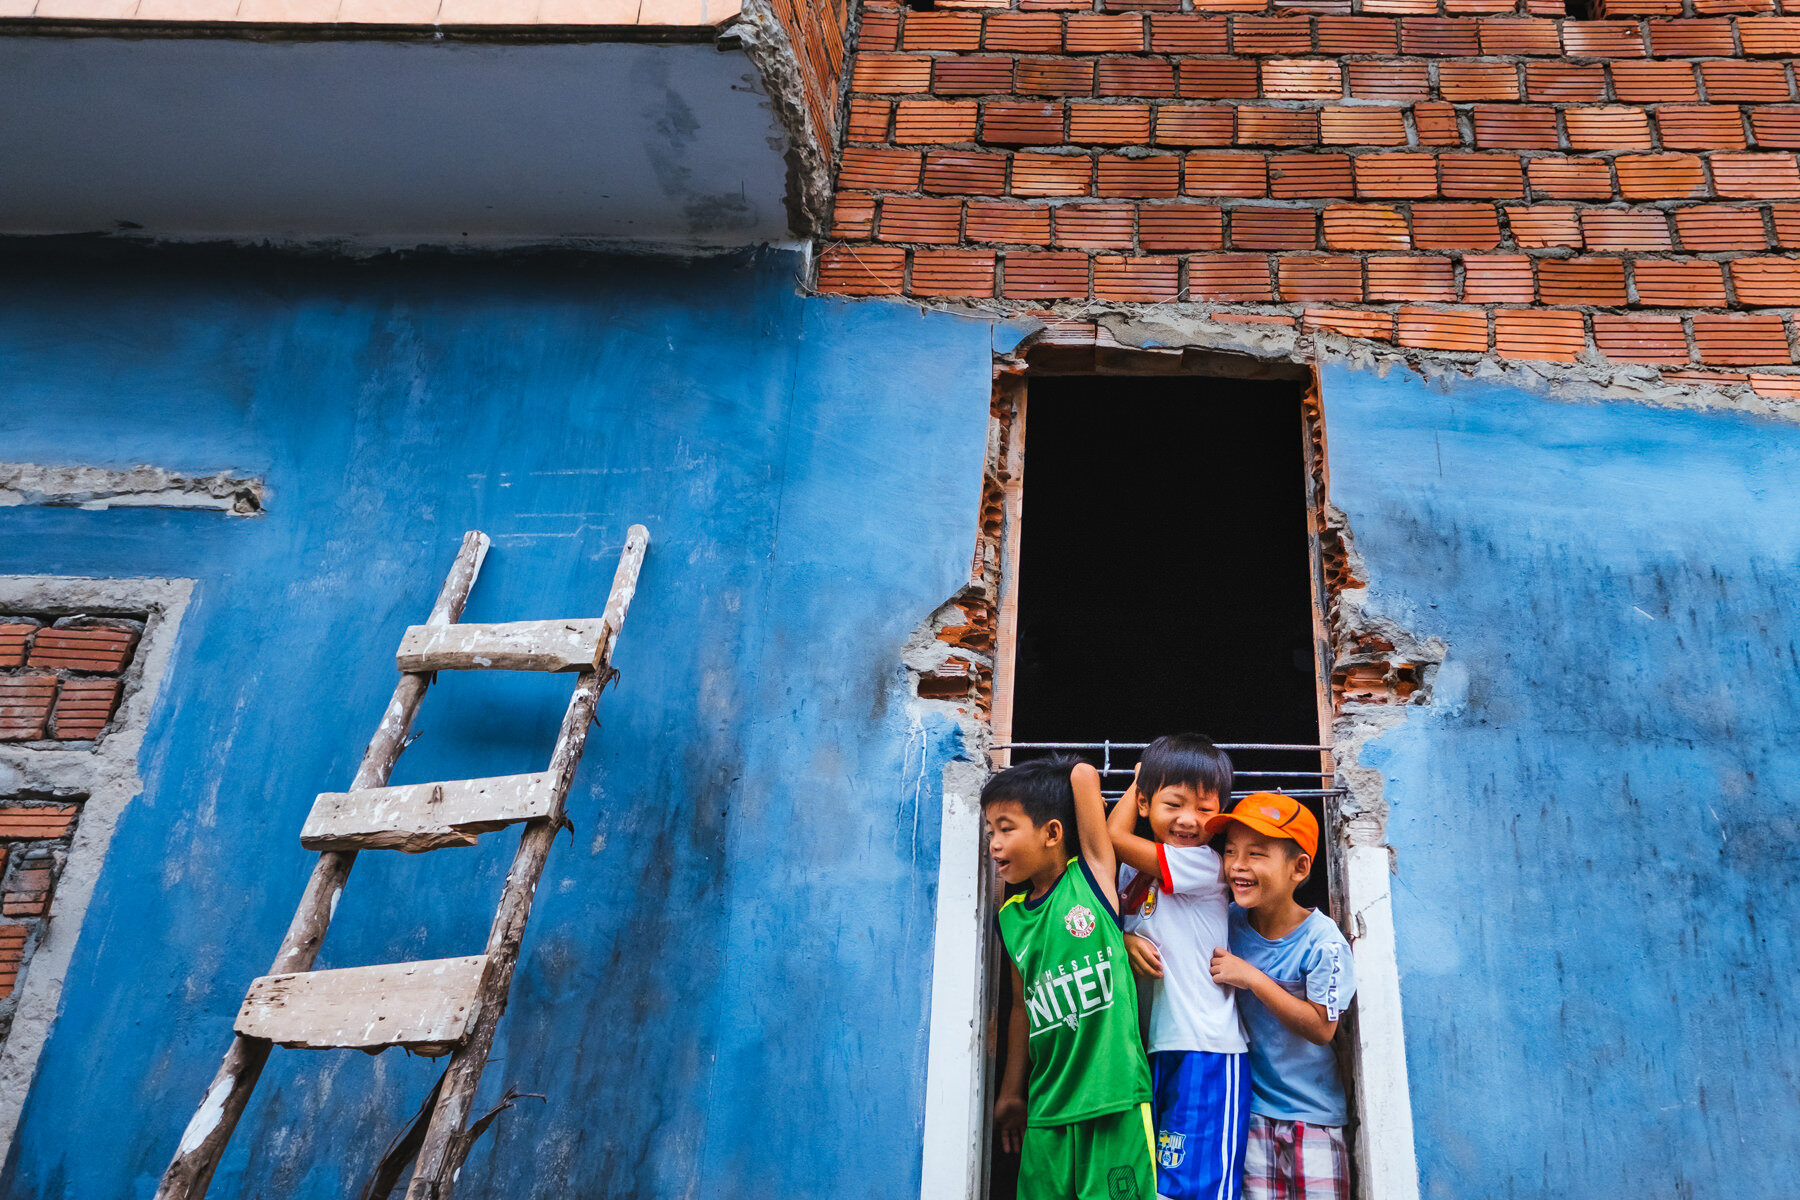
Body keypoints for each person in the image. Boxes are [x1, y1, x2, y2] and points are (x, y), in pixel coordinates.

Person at [987, 757, 1156, 1200]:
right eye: (990, 832)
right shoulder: (1011, 918)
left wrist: (1054, 773)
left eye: (1006, 828)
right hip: (1047, 1108)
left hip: (1114, 1098)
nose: (994, 844)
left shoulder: (1093, 877)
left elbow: (1084, 777)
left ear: (1053, 833)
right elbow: (1022, 1007)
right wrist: (1010, 1092)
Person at [1107, 734, 1251, 1200]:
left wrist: (1139, 778)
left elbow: (1110, 837)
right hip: (1157, 1048)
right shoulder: (1132, 875)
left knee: (1198, 1190)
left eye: (1206, 808)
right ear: (1147, 804)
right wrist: (1126, 939)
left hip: (1206, 1050)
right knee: (1161, 1189)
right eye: (1175, 803)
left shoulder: (1203, 864)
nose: (1190, 819)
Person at [1204, 793, 1357, 1200]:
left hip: (1316, 1115)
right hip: (1249, 1112)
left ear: (1300, 867)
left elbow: (1323, 1029)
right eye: (1231, 851)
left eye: (1256, 854)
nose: (1237, 865)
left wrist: (1252, 977)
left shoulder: (1324, 944)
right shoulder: (1225, 921)